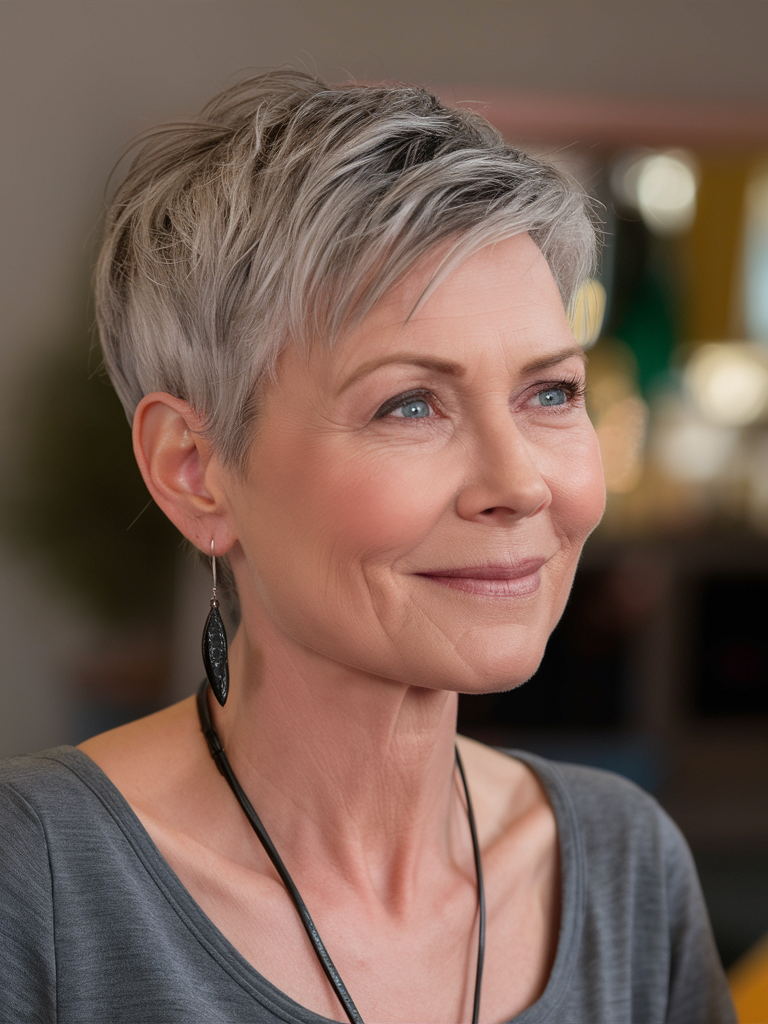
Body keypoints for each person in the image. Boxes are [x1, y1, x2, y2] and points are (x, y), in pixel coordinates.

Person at [0, 71, 735, 1024]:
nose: (519, 484)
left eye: (550, 393)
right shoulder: (37, 882)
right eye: (410, 405)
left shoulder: (625, 866)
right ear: (193, 469)